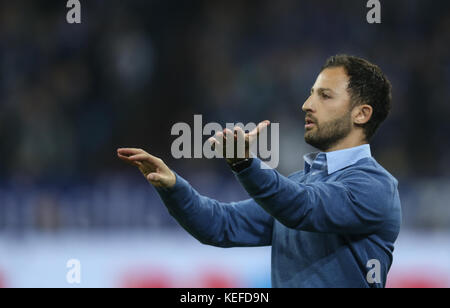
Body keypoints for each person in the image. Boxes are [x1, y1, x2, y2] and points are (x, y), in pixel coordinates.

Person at [117, 54, 402, 288]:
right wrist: (173, 187)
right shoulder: (300, 183)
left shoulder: (375, 187)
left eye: (325, 96)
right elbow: (221, 226)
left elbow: (302, 207)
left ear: (362, 114)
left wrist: (245, 164)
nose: (307, 105)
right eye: (311, 94)